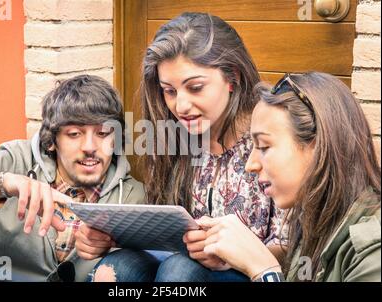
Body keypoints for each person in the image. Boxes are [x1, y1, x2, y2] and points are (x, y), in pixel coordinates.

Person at [85, 12, 288, 282]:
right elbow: (164, 235)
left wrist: (229, 254)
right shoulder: (172, 135)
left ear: (233, 77)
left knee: (180, 271)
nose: (179, 106)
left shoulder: (268, 137)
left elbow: (291, 247)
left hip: (246, 271)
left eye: (195, 87)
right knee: (116, 266)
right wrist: (109, 237)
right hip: (177, 265)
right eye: (169, 90)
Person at [0, 74, 145, 282]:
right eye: (74, 134)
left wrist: (113, 250)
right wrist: (3, 184)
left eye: (103, 133)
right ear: (52, 140)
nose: (90, 147)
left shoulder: (133, 196)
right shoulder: (15, 160)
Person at [200, 72, 381, 282]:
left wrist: (264, 272)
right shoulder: (314, 223)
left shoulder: (372, 251)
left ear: (318, 146)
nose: (251, 165)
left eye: (264, 147)